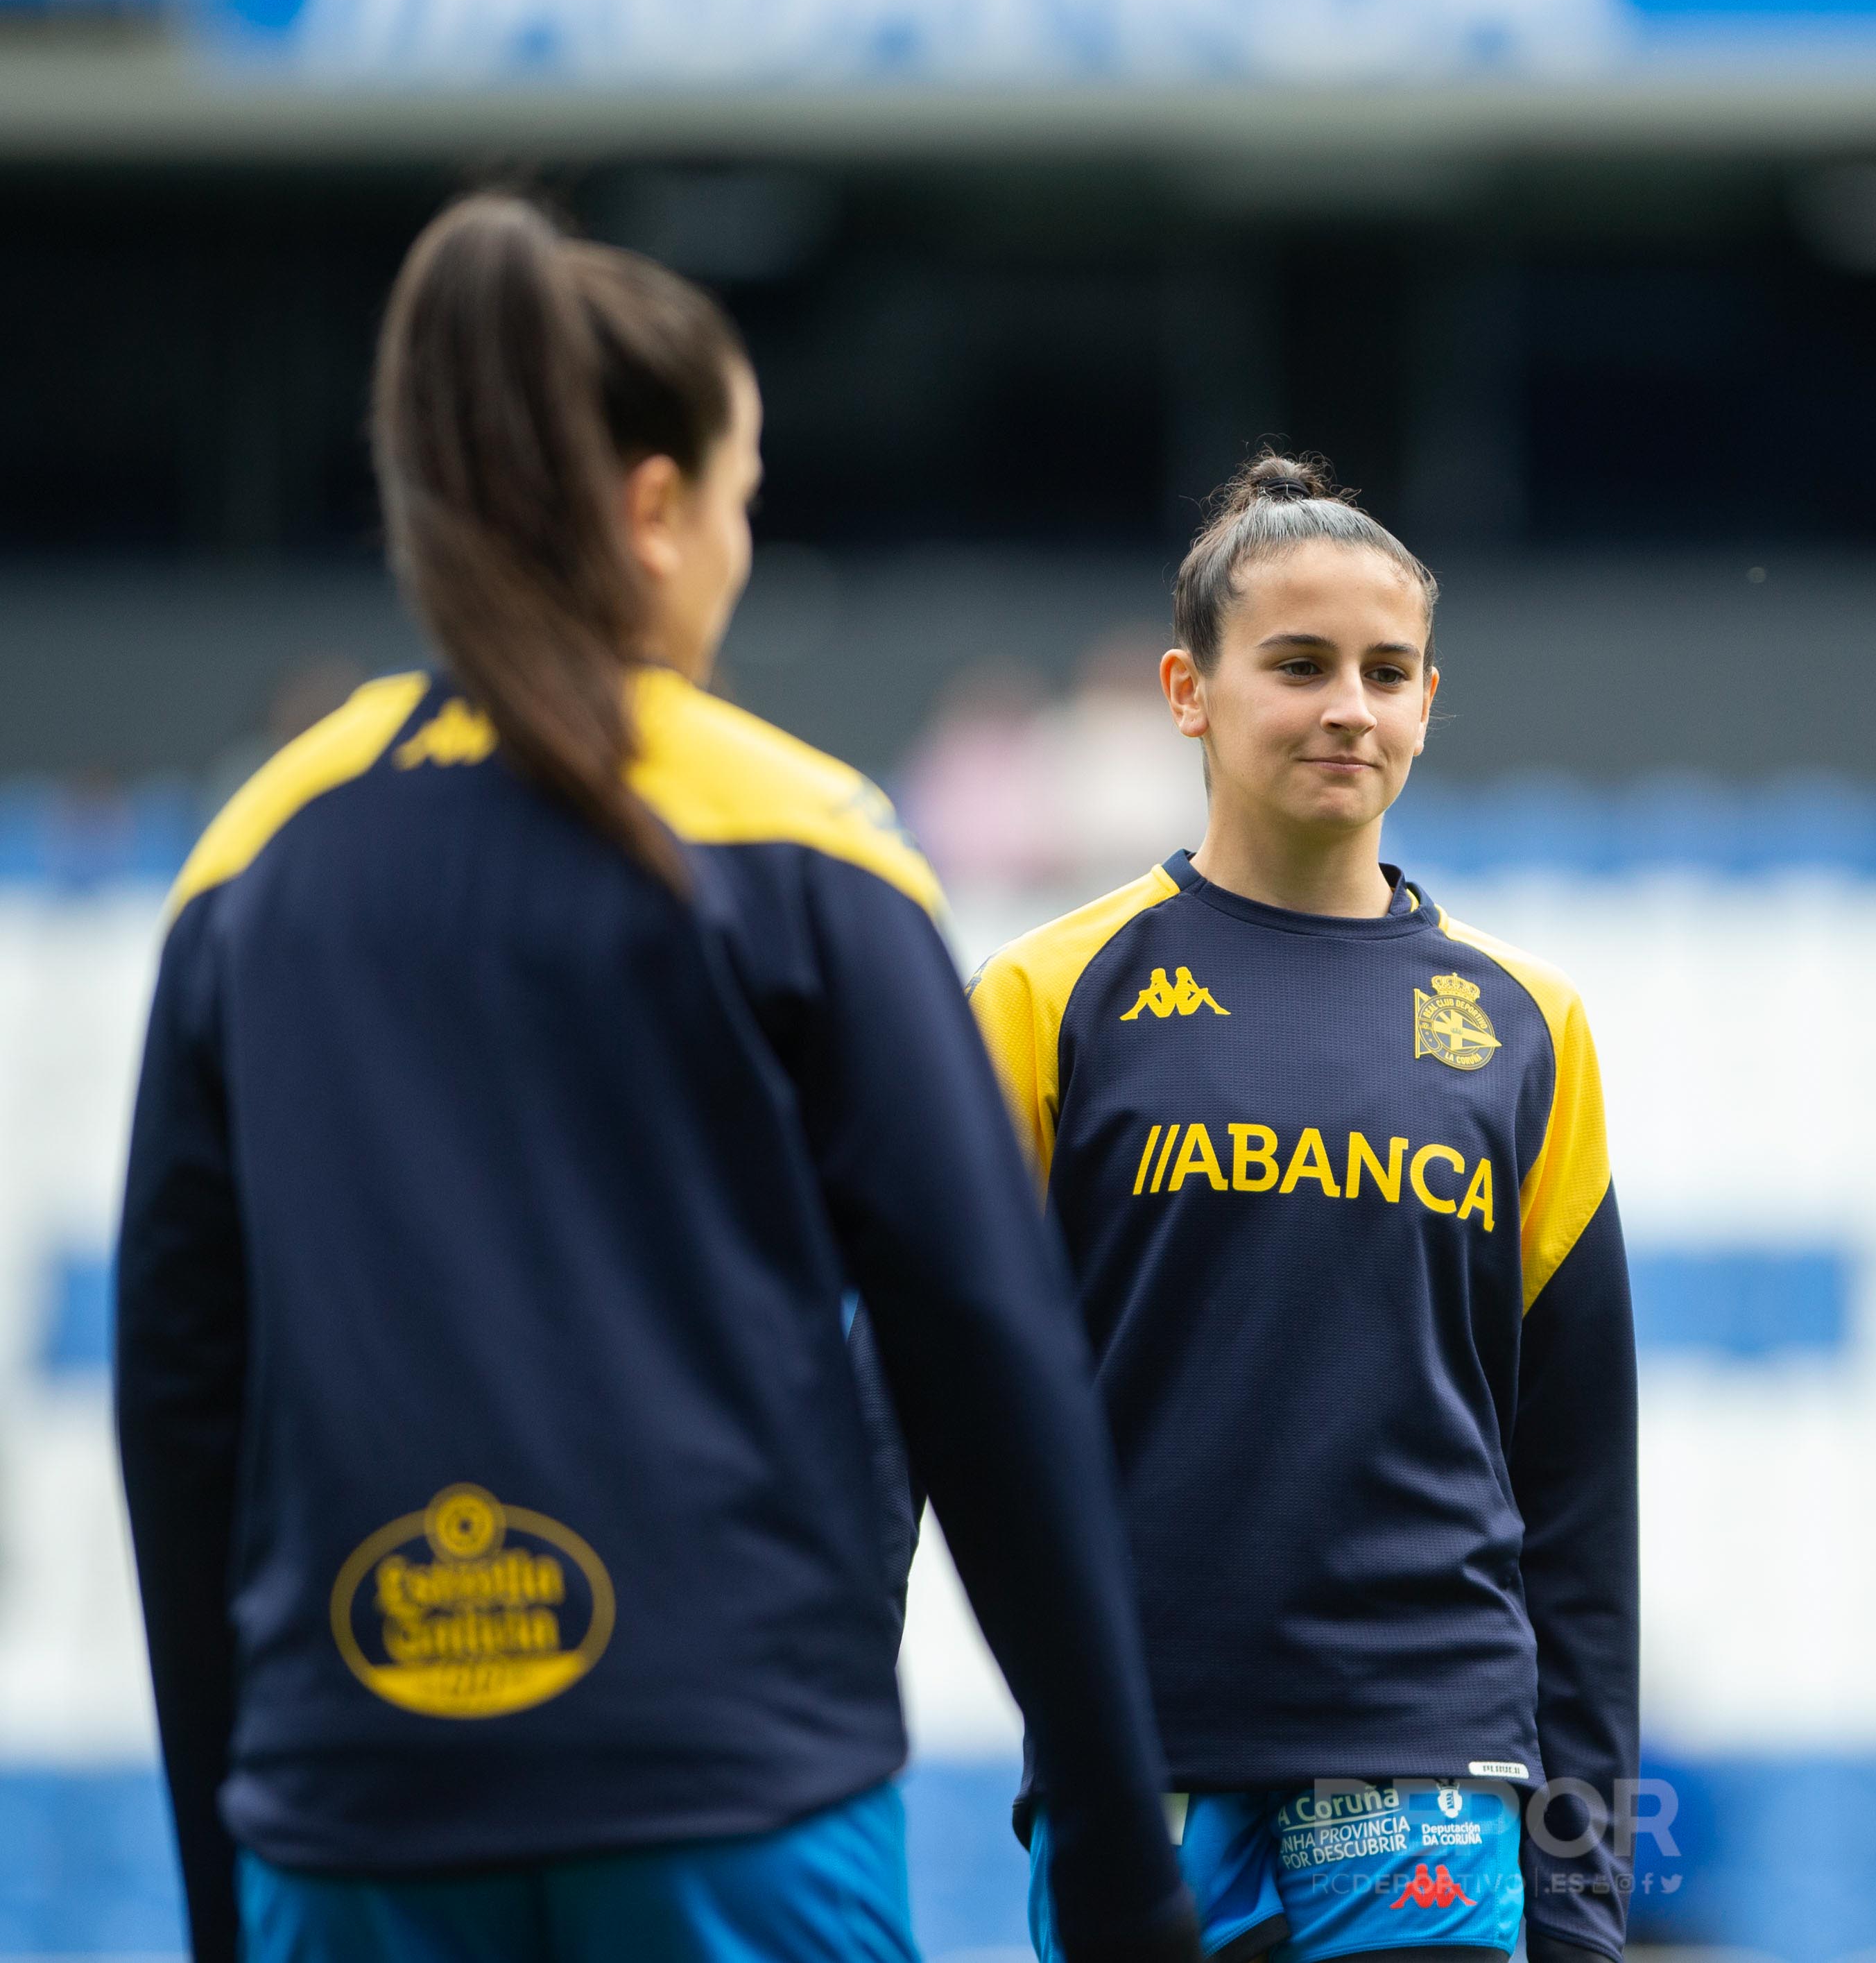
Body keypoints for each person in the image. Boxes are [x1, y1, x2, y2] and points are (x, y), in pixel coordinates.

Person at [113, 194, 1194, 1963]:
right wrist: (1120, 1860)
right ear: (654, 508)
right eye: (745, 498)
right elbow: (986, 1358)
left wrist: (224, 1876)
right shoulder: (803, 837)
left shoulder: (256, 852)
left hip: (355, 1817)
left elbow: (179, 1401)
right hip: (735, 1801)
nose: (743, 552)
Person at [970, 455, 1639, 1963]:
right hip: (1139, 1753)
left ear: (1427, 699)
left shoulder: (1527, 1025)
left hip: (1431, 1747)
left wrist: (1583, 1885)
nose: (1350, 706)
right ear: (1186, 691)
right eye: (1298, 664)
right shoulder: (1045, 998)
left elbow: (1582, 1496)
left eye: (1386, 672)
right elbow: (910, 1400)